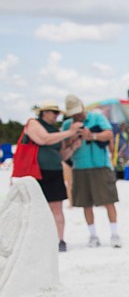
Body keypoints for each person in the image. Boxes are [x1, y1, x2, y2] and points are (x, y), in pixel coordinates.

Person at [62, 94, 122, 248]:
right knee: (85, 203)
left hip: (100, 165)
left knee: (109, 200)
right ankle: (93, 235)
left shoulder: (96, 118)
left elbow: (109, 134)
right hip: (80, 167)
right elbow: (62, 147)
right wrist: (71, 137)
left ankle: (114, 234)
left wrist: (92, 135)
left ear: (82, 106)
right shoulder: (68, 125)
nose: (76, 115)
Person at [22, 101, 83, 251]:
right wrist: (69, 132)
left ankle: (60, 240)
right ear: (44, 112)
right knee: (35, 208)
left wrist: (73, 146)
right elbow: (43, 139)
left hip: (54, 171)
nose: (56, 116)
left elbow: (61, 155)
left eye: (57, 113)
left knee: (57, 208)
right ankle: (35, 240)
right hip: (36, 173)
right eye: (54, 112)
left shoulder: (55, 130)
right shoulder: (34, 124)